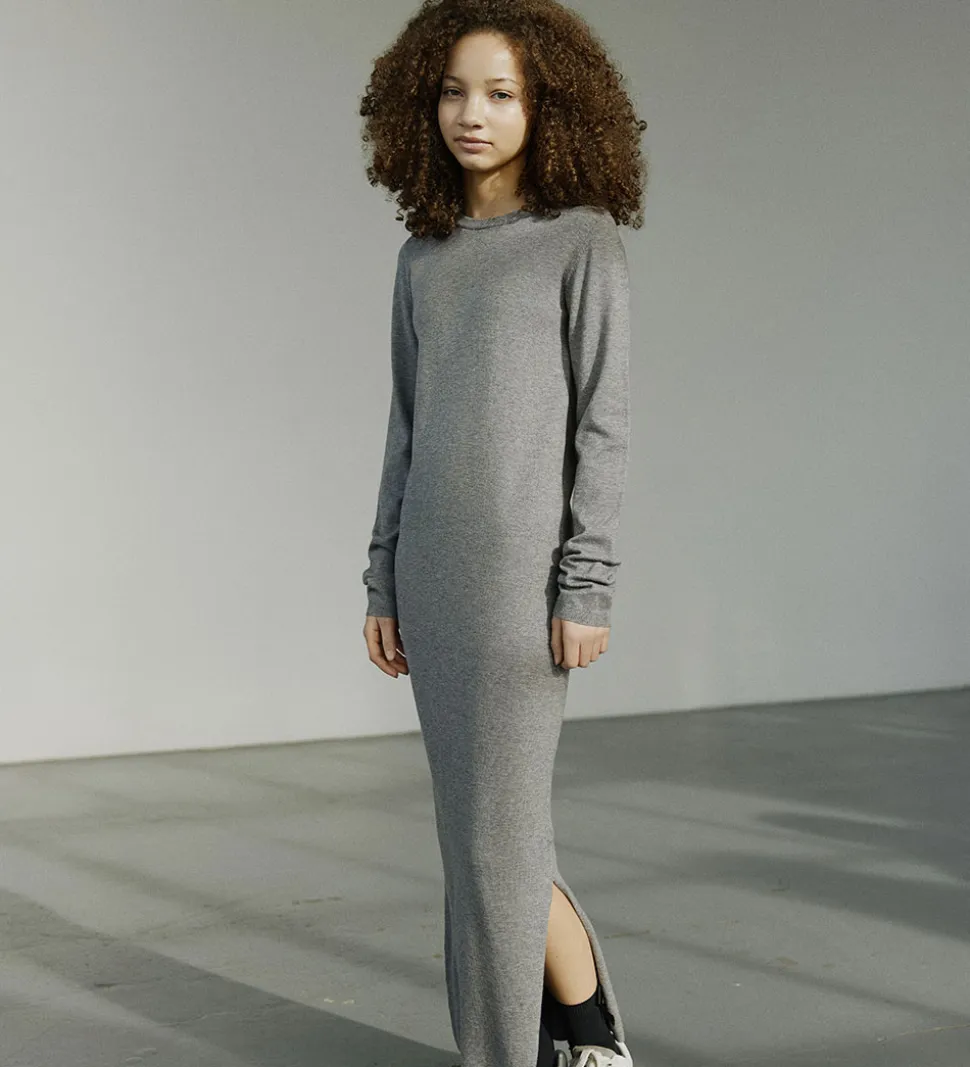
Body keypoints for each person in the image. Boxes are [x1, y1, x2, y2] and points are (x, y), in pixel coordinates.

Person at [359, 3, 647, 1065]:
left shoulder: (581, 241)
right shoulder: (423, 258)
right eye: (452, 92)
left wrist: (587, 582)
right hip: (431, 577)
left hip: (522, 587)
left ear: (547, 107)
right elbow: (407, 427)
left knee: (496, 840)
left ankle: (532, 1048)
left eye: (499, 93)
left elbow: (605, 423)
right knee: (483, 839)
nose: (470, 114)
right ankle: (591, 1039)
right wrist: (382, 577)